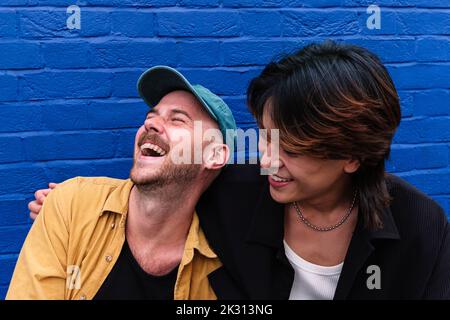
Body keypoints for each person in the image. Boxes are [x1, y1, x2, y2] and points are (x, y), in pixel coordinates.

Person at [27, 41, 450, 300]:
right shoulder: (236, 192)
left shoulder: (421, 228)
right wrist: (73, 203)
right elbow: (170, 185)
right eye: (265, 136)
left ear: (353, 156)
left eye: (293, 149)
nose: (269, 159)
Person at [6, 66, 237, 300]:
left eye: (177, 120)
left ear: (214, 155)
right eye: (150, 116)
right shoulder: (71, 205)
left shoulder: (220, 268)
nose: (151, 124)